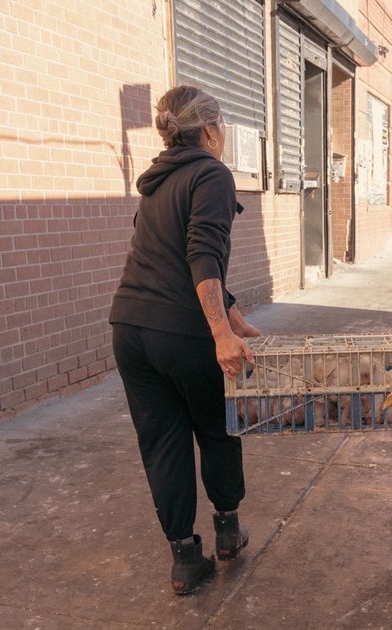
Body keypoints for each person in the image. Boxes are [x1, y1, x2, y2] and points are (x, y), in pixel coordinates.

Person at [109, 85, 260, 596]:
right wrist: (221, 334)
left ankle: (185, 559)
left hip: (130, 329)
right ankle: (227, 532)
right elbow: (201, 255)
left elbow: (172, 256)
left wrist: (233, 315)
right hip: (183, 331)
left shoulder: (156, 181)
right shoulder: (212, 174)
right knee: (217, 428)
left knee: (162, 441)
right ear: (211, 130)